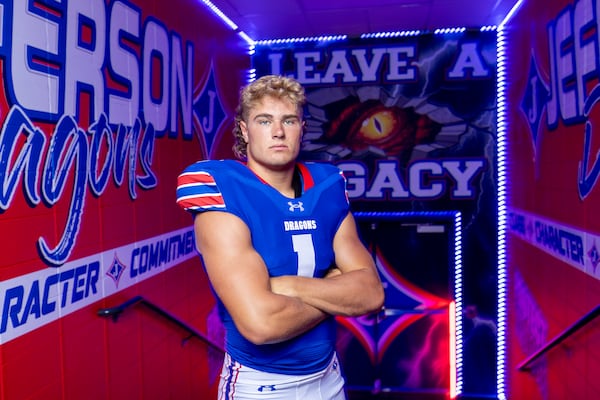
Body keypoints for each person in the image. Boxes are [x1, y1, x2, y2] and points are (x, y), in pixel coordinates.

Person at [176, 75, 384, 399]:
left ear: (302, 127)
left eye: (288, 120)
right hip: (260, 385)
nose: (278, 131)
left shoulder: (328, 186)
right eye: (264, 120)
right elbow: (261, 324)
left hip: (329, 377)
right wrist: (338, 295)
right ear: (245, 130)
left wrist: (289, 286)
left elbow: (371, 294)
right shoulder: (222, 190)